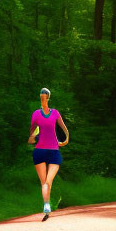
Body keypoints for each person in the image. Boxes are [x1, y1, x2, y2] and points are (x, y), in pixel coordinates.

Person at [27, 87, 69, 221]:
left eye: (44, 97)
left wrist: (66, 139)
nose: (42, 99)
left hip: (54, 151)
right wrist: (32, 137)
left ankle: (47, 204)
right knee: (43, 182)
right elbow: (32, 132)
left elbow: (64, 128)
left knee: (48, 181)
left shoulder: (55, 113)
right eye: (41, 97)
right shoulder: (36, 114)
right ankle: (46, 205)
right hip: (39, 151)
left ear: (48, 98)